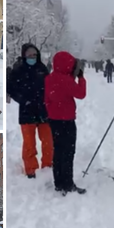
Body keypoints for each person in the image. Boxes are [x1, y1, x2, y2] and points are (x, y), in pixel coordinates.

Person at [8, 43, 53, 179]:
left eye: (34, 55)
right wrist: (22, 99)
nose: (32, 57)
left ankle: (47, 166)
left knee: (48, 142)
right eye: (29, 55)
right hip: (26, 112)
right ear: (24, 56)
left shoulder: (42, 68)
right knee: (29, 143)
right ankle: (30, 170)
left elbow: (50, 86)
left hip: (43, 111)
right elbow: (11, 88)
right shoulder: (19, 70)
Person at [45, 51, 87, 195]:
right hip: (67, 120)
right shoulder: (67, 80)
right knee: (68, 152)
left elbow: (47, 98)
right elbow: (81, 94)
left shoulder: (49, 78)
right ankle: (68, 183)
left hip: (53, 120)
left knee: (58, 151)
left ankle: (58, 182)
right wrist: (81, 78)